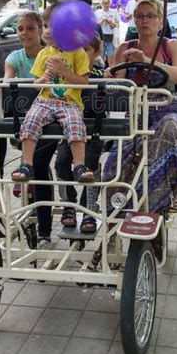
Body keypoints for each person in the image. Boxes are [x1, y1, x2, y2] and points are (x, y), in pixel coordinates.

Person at [103, 0, 177, 211]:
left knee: (169, 127)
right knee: (114, 160)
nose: (144, 21)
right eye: (139, 16)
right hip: (135, 115)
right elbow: (119, 83)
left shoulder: (172, 46)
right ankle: (112, 210)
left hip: (167, 111)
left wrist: (148, 62)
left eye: (150, 16)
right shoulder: (125, 47)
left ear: (160, 20)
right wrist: (109, 76)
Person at [11, 3, 94, 184]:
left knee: (74, 124)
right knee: (31, 121)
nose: (47, 31)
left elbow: (84, 83)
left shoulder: (78, 53)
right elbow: (36, 84)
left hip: (69, 101)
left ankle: (80, 165)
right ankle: (26, 164)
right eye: (46, 26)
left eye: (53, 27)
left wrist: (64, 71)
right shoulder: (44, 54)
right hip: (46, 100)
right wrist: (43, 80)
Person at [3, 11, 58, 245]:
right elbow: (8, 81)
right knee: (34, 161)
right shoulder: (15, 57)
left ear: (39, 31)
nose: (24, 33)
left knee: (39, 164)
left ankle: (44, 228)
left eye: (30, 29)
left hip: (50, 117)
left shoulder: (51, 55)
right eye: (20, 29)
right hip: (26, 120)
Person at [56, 34, 105, 233]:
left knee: (90, 165)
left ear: (96, 52)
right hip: (69, 124)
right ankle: (69, 203)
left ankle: (88, 209)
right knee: (61, 162)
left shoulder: (98, 71)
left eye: (86, 50)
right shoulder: (69, 70)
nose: (82, 54)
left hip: (94, 126)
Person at [95, 0, 119, 66]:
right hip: (100, 36)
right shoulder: (97, 12)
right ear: (101, 4)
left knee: (110, 55)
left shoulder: (114, 12)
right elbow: (95, 25)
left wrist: (111, 22)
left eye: (108, 3)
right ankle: (101, 70)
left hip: (110, 35)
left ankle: (110, 70)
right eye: (104, 3)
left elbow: (117, 25)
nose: (106, 5)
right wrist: (102, 21)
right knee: (100, 54)